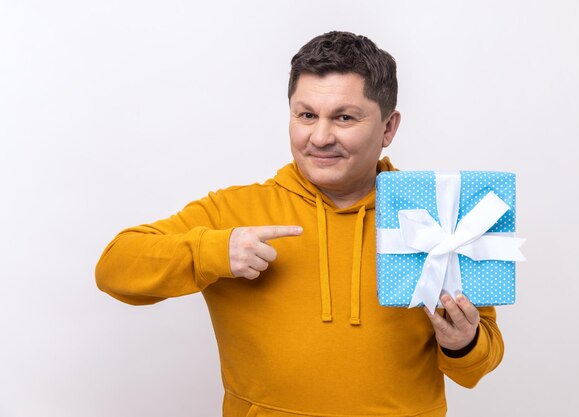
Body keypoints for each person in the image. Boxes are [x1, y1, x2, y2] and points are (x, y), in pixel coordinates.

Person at [96, 31, 504, 417]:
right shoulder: (235, 212)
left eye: (344, 118)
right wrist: (213, 251)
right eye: (307, 115)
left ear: (389, 128)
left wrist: (461, 343)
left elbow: (476, 367)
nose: (320, 136)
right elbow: (114, 268)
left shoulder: (446, 218)